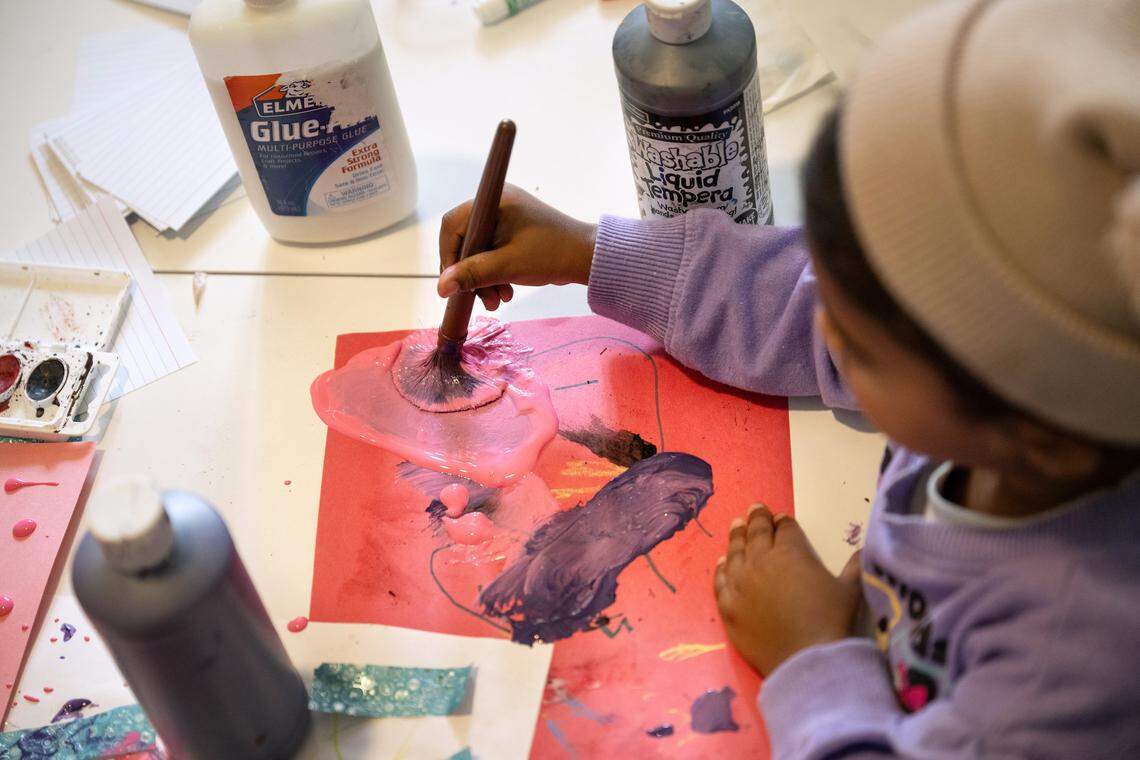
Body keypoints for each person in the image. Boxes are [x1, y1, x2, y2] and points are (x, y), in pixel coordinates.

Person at [435, 0, 1140, 756]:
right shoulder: (1028, 386)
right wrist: (587, 252)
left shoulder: (1068, 671)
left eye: (860, 347)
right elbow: (793, 295)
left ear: (1042, 433)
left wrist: (815, 658)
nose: (820, 324)